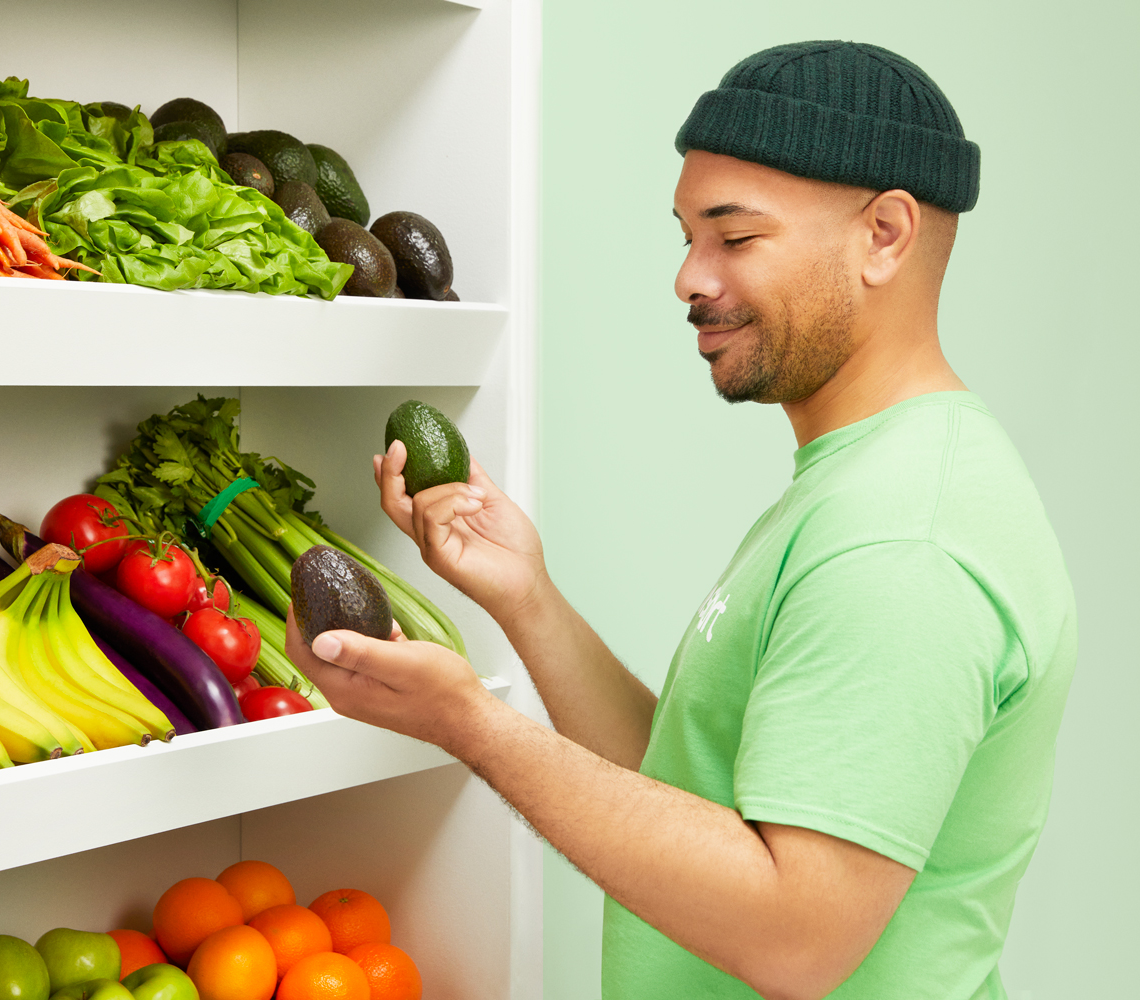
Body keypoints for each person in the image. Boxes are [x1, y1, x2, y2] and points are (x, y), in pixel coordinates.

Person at [285, 40, 1076, 1000]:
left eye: (735, 238)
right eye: (686, 237)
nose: (689, 278)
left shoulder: (904, 538)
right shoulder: (865, 480)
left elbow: (796, 938)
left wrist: (472, 724)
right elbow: (697, 797)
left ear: (885, 236)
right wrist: (528, 599)